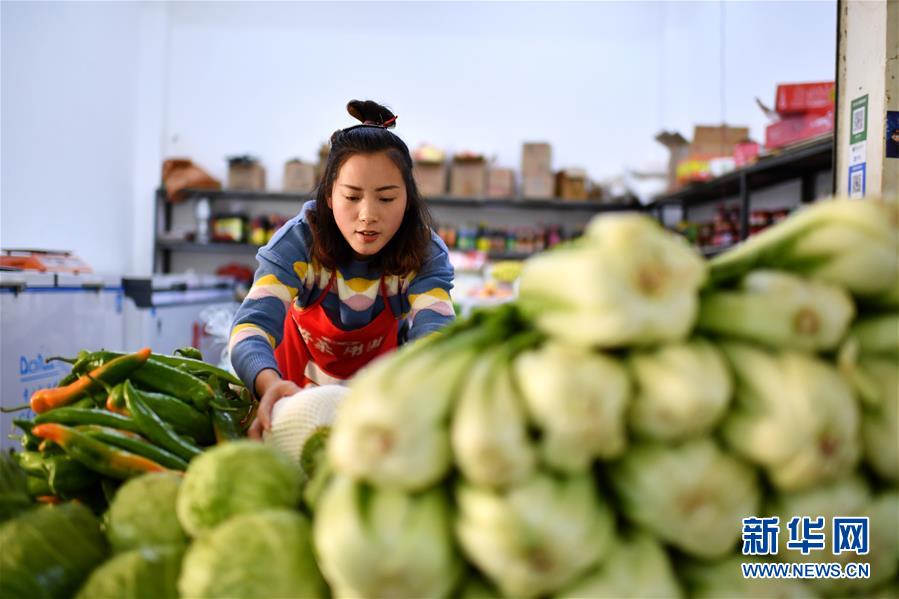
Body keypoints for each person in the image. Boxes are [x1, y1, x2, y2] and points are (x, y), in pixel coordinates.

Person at [229, 100, 456, 439]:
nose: (367, 214)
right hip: (289, 399)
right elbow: (250, 328)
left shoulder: (423, 252)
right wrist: (269, 384)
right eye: (352, 197)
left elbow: (437, 337)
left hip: (376, 409)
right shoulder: (298, 243)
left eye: (387, 198)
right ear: (330, 195)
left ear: (408, 198)